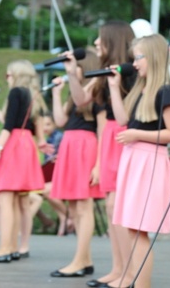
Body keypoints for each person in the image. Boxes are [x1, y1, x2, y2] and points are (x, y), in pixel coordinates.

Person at [60, 21, 135, 287]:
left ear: (112, 41)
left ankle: (129, 271)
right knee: (111, 207)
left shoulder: (130, 70)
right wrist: (71, 73)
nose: (94, 44)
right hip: (110, 138)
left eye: (100, 39)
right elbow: (81, 101)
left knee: (117, 207)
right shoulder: (103, 74)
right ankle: (118, 269)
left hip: (126, 136)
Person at [107, 33, 170, 288]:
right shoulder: (141, 90)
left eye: (139, 57)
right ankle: (132, 280)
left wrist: (137, 134)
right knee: (131, 228)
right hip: (135, 159)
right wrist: (114, 87)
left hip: (149, 162)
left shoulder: (164, 91)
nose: (135, 63)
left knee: (138, 229)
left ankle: (141, 284)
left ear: (153, 57)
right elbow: (120, 119)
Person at [0, 60, 51, 263]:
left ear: (16, 75)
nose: (7, 78)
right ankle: (11, 246)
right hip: (26, 143)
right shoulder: (32, 94)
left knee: (6, 198)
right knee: (16, 198)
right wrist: (42, 142)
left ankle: (5, 248)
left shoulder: (16, 92)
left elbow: (9, 125)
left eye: (8, 75)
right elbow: (24, 121)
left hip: (14, 143)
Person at [49, 49, 105, 278]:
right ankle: (85, 259)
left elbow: (103, 132)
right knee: (73, 206)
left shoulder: (97, 93)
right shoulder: (76, 93)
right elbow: (60, 121)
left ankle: (80, 260)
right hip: (70, 146)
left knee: (84, 205)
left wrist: (99, 164)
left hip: (86, 147)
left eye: (77, 66)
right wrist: (56, 94)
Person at [28, 112, 67, 236]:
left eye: (49, 124)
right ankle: (63, 217)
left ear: (55, 124)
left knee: (46, 191)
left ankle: (68, 216)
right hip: (51, 178)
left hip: (62, 177)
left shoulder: (59, 137)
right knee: (36, 192)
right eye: (43, 125)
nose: (45, 128)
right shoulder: (45, 140)